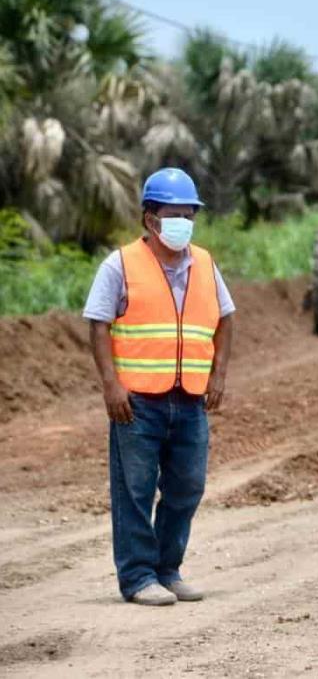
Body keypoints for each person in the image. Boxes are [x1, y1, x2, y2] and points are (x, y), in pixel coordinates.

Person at [83, 168, 235, 607]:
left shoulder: (204, 263)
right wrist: (110, 386)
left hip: (189, 399)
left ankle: (167, 570)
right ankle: (137, 577)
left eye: (189, 214)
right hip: (137, 403)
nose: (183, 222)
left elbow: (226, 318)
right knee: (134, 489)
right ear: (151, 218)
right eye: (175, 214)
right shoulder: (120, 264)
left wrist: (218, 374)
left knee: (187, 486)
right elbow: (98, 324)